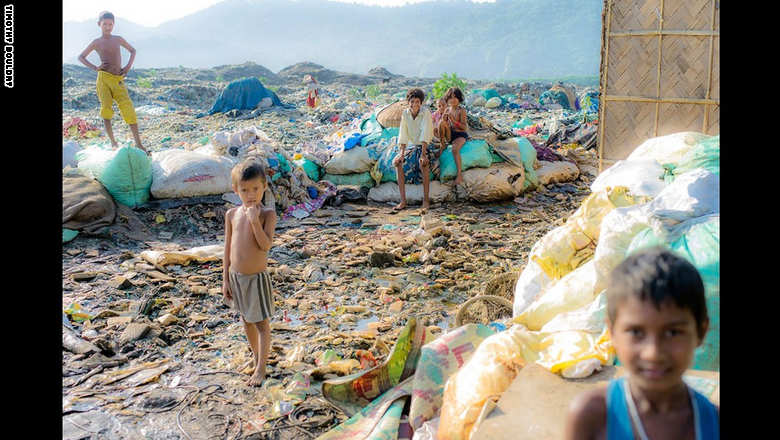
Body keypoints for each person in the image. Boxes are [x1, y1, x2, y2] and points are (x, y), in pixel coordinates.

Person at [564, 247, 719, 440]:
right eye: (636, 332)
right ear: (612, 333)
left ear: (701, 332)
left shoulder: (715, 424)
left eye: (672, 332)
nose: (653, 353)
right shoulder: (592, 417)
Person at [223, 159, 278, 387]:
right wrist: (225, 279)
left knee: (261, 324)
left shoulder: (267, 214)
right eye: (244, 190)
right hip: (236, 278)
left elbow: (265, 246)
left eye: (255, 188)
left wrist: (254, 221)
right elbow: (227, 248)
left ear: (264, 186)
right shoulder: (231, 214)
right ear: (236, 190)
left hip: (256, 279)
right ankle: (256, 358)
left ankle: (262, 369)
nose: (251, 195)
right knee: (246, 320)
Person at [78, 11, 147, 154]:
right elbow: (81, 57)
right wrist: (95, 67)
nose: (108, 27)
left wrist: (127, 68)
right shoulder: (96, 42)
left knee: (128, 108)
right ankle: (113, 142)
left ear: (114, 25)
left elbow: (133, 51)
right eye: (105, 24)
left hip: (117, 79)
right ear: (99, 24)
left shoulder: (118, 39)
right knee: (106, 110)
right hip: (103, 79)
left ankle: (139, 144)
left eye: (110, 24)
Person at [393, 88, 436, 212]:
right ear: (408, 102)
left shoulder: (425, 113)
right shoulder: (405, 114)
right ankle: (403, 201)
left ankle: (426, 200)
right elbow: (403, 134)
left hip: (426, 145)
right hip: (412, 146)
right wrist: (401, 154)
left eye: (417, 102)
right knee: (398, 163)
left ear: (421, 103)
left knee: (423, 163)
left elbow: (425, 132)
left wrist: (423, 154)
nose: (414, 104)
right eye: (412, 101)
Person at [440, 87, 469, 185]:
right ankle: (442, 144)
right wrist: (444, 119)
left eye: (455, 97)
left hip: (460, 134)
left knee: (455, 149)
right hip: (450, 134)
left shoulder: (461, 110)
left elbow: (464, 127)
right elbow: (444, 125)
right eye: (451, 97)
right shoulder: (447, 109)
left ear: (459, 98)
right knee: (441, 124)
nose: (453, 100)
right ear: (447, 99)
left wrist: (453, 121)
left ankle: (459, 174)